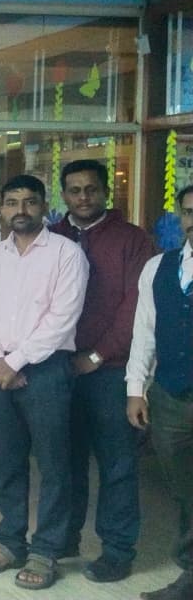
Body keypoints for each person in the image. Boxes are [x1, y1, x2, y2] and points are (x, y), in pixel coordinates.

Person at [0, 175, 88, 590]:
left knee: (54, 465)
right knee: (7, 463)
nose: (20, 210)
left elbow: (62, 319)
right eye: (12, 202)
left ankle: (47, 549)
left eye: (30, 201)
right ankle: (10, 541)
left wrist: (14, 361)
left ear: (44, 205)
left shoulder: (67, 253)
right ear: (1, 208)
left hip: (47, 370)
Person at [48, 159, 155, 583]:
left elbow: (137, 309)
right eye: (74, 190)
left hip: (111, 371)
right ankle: (64, 538)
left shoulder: (133, 239)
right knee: (63, 462)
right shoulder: (51, 237)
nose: (83, 197)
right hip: (58, 369)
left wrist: (97, 355)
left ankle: (117, 550)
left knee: (117, 465)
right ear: (63, 194)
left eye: (91, 189)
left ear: (106, 192)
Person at [126, 184, 193, 600]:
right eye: (189, 212)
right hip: (170, 397)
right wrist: (136, 389)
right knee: (185, 491)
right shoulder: (158, 267)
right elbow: (144, 332)